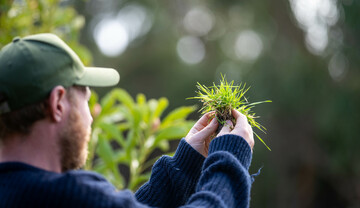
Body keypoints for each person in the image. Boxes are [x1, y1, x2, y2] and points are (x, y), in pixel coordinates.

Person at [0, 33, 255, 208]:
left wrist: (184, 166)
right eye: (86, 101)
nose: (90, 117)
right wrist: (230, 159)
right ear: (57, 104)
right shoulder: (70, 195)